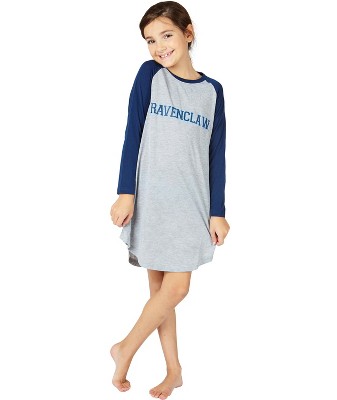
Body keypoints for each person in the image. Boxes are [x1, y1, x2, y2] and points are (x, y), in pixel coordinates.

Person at [109, 1, 230, 398]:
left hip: (192, 204)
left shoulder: (213, 92)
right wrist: (126, 193)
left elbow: (216, 154)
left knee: (175, 290)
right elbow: (132, 135)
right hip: (152, 200)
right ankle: (174, 370)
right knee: (161, 293)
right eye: (150, 40)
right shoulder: (150, 75)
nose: (159, 46)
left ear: (188, 33)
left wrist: (217, 211)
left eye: (166, 35)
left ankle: (125, 348)